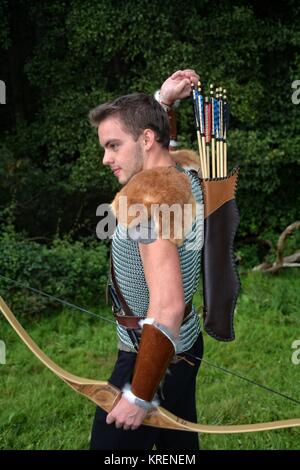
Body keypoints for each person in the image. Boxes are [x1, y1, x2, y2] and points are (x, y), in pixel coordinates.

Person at [89, 70, 204, 450]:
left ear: (147, 139)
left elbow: (168, 305)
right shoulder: (187, 175)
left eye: (113, 146)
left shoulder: (145, 208)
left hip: (151, 354)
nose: (106, 158)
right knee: (178, 450)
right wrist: (164, 101)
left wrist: (139, 396)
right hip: (185, 346)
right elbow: (160, 149)